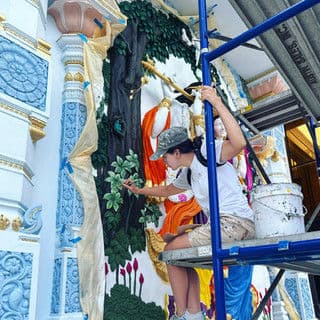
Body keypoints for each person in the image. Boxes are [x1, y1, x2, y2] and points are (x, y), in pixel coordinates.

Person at [123, 85, 255, 320]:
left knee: (170, 251)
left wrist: (216, 102)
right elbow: (167, 190)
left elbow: (239, 143)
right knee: (178, 251)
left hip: (236, 223)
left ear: (176, 152)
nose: (163, 162)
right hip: (225, 225)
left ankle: (183, 314)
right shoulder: (190, 173)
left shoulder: (207, 151)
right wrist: (138, 189)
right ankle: (193, 313)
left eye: (164, 156)